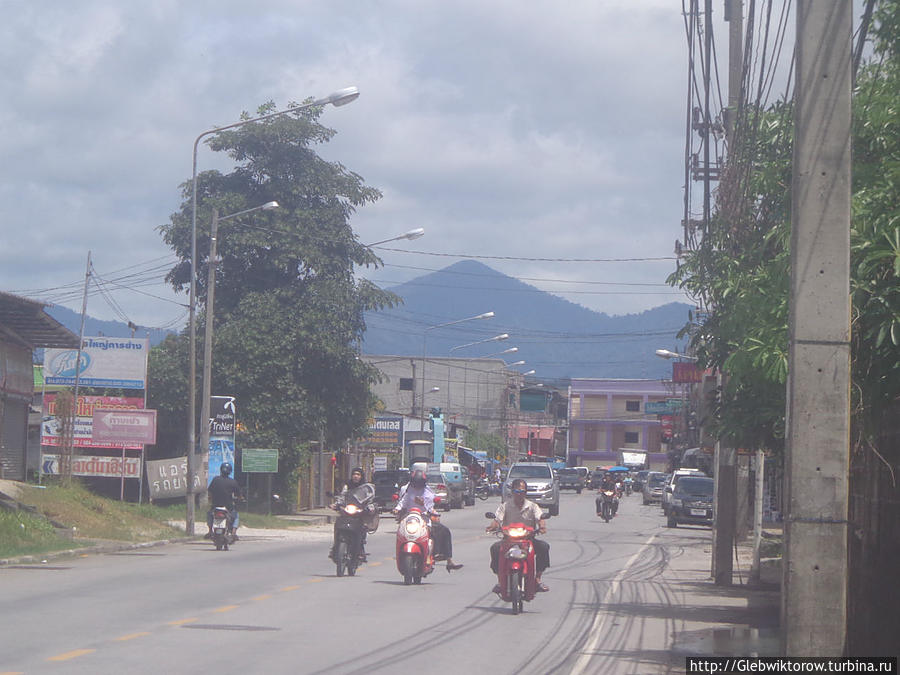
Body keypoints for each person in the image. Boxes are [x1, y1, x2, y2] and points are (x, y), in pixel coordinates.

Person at [394, 463, 463, 572]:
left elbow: (430, 508)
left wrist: (423, 505)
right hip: (410, 518)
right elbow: (403, 502)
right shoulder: (408, 490)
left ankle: (448, 560)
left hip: (424, 518)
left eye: (419, 483)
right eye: (415, 483)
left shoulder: (428, 492)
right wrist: (397, 509)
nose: (416, 485)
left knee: (444, 531)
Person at [487, 478, 550, 593]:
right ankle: (500, 581)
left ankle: (537, 579)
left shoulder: (532, 506)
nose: (520, 495)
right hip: (508, 540)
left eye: (522, 492)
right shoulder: (505, 506)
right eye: (517, 492)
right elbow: (497, 520)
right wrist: (493, 526)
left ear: (526, 493)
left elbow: (540, 518)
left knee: (544, 547)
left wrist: (542, 526)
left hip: (527, 540)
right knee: (495, 549)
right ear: (512, 492)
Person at [329, 467, 375, 561]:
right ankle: (335, 548)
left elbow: (370, 500)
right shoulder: (347, 486)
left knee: (363, 528)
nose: (356, 476)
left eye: (358, 474)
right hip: (346, 511)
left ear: (361, 476)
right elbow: (342, 497)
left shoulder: (366, 488)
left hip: (360, 513)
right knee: (338, 525)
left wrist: (369, 508)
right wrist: (336, 504)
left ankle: (360, 550)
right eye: (354, 474)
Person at [206, 462, 242, 539]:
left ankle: (209, 531)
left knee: (209, 514)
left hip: (215, 506)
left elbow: (209, 491)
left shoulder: (215, 479)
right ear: (230, 471)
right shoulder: (233, 482)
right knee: (236, 516)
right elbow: (239, 495)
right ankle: (233, 533)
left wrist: (210, 499)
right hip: (228, 507)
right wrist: (240, 499)